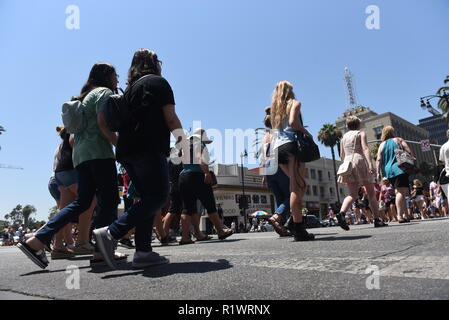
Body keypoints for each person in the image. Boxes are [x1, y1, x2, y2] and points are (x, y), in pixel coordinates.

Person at [18, 62, 124, 269]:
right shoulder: (102, 93)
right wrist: (121, 146)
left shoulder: (83, 98)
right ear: (106, 76)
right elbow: (103, 123)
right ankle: (101, 250)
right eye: (115, 75)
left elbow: (73, 139)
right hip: (99, 154)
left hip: (81, 157)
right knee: (110, 200)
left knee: (81, 202)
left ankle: (37, 240)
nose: (117, 80)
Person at [92, 49, 189, 269]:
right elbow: (171, 118)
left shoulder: (129, 89)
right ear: (155, 63)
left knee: (146, 199)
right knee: (158, 196)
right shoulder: (159, 83)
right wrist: (183, 143)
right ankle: (111, 232)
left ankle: (143, 251)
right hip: (149, 147)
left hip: (126, 150)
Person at [270, 81, 314, 241]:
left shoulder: (275, 110)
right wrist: (307, 132)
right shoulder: (295, 103)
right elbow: (293, 123)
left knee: (299, 185)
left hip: (278, 149)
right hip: (290, 146)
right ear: (290, 91)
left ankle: (292, 222)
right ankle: (299, 229)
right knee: (296, 187)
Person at [177, 129, 234, 245]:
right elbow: (200, 158)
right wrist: (207, 172)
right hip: (197, 175)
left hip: (183, 176)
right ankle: (220, 231)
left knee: (187, 208)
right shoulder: (199, 143)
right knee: (210, 204)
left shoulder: (185, 145)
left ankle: (185, 237)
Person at [337, 116, 388, 230]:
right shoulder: (361, 133)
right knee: (371, 193)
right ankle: (376, 219)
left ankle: (341, 213)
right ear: (358, 124)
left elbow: (342, 155)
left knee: (352, 194)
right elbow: (365, 148)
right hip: (359, 161)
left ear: (347, 126)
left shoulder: (343, 138)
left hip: (348, 163)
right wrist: (370, 164)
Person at [260, 107, 291, 237]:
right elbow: (281, 152)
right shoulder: (278, 134)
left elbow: (263, 157)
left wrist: (264, 176)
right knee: (290, 196)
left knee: (279, 199)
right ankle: (276, 218)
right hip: (279, 167)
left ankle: (281, 226)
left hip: (268, 170)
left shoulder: (264, 137)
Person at [376, 126, 413, 223]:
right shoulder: (399, 140)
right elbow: (408, 150)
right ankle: (400, 215)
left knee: (400, 192)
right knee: (400, 192)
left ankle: (406, 215)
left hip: (388, 171)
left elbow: (379, 159)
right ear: (392, 132)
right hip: (400, 167)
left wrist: (378, 172)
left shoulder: (382, 145)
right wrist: (411, 157)